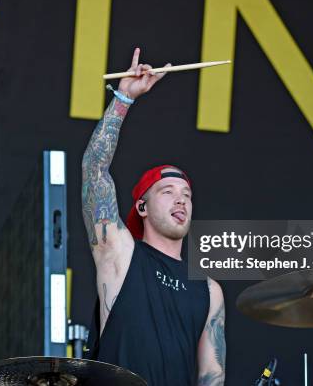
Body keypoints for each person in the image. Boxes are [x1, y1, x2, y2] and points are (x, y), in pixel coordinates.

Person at [82, 47, 226, 386]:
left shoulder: (209, 290)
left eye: (187, 195)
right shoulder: (120, 253)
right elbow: (94, 170)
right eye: (168, 192)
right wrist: (123, 99)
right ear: (141, 208)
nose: (181, 200)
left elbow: (212, 374)